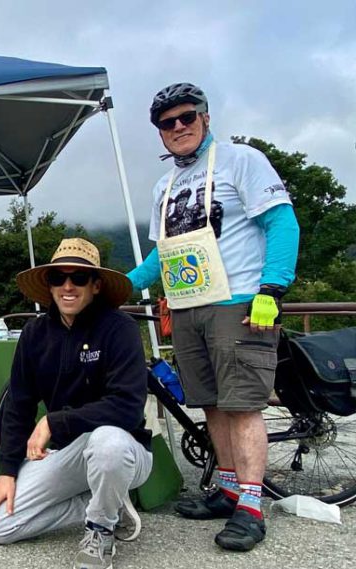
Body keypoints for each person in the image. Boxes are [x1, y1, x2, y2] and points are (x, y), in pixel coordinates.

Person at [126, 83, 300, 552]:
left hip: (236, 300)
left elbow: (281, 221)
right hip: (186, 304)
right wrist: (113, 287)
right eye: (168, 123)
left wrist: (272, 289)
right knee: (212, 404)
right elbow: (162, 256)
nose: (178, 127)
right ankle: (227, 489)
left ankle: (250, 505)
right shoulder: (164, 186)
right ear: (160, 133)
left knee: (242, 404)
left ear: (205, 118)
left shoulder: (240, 160)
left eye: (187, 117)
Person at [0, 238, 152, 569]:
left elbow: (128, 407)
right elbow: (18, 405)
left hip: (125, 450)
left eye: (79, 278)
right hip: (67, 455)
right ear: (49, 284)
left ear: (96, 285)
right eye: (58, 278)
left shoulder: (121, 329)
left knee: (107, 441)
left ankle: (101, 529)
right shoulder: (34, 334)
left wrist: (52, 422)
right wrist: (8, 470)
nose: (67, 286)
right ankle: (109, 504)